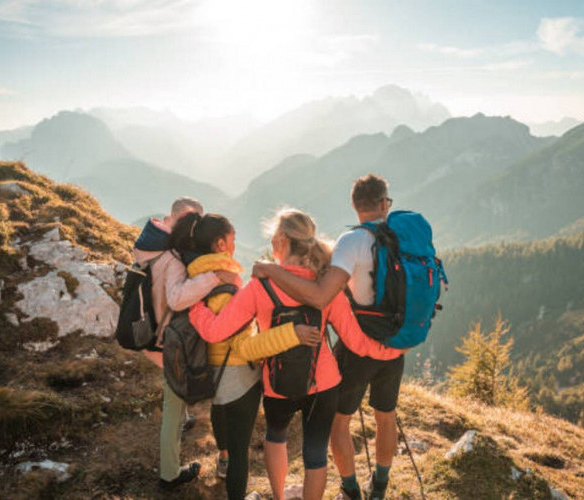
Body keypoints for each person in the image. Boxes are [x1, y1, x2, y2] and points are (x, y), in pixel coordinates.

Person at [189, 209, 395, 500]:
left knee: (276, 437)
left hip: (277, 383)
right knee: (315, 454)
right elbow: (355, 341)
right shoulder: (326, 285)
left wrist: (195, 307)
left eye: (273, 237)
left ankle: (279, 496)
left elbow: (214, 332)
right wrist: (390, 349)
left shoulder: (259, 286)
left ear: (282, 241)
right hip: (323, 382)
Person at [252, 175, 406, 499]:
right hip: (395, 344)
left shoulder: (351, 242)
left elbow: (322, 295)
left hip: (358, 346)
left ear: (354, 204)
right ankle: (380, 485)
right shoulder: (403, 238)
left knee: (339, 421)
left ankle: (350, 488)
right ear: (383, 203)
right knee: (386, 415)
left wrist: (271, 270)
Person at [169, 212, 321, 500]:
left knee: (221, 414)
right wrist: (293, 333)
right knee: (242, 453)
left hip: (208, 368)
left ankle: (223, 457)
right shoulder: (227, 288)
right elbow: (244, 348)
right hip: (238, 374)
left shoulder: (195, 279)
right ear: (220, 244)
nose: (235, 245)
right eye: (233, 239)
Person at [132, 197, 222, 490]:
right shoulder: (172, 257)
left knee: (174, 395)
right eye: (193, 221)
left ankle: (184, 419)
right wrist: (212, 278)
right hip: (167, 339)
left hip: (149, 330)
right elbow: (176, 298)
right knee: (172, 402)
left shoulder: (150, 244)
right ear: (181, 219)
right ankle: (169, 474)